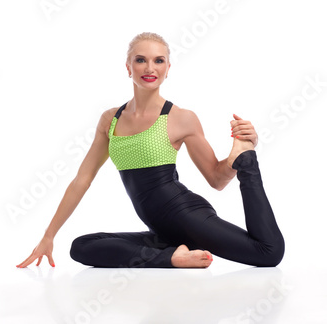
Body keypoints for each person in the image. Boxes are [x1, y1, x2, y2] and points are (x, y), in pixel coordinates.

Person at [16, 32, 284, 269]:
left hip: (188, 217)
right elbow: (81, 180)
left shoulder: (180, 118)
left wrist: (236, 161)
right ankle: (172, 256)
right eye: (140, 59)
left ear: (168, 69)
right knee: (81, 247)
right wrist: (49, 235)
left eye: (159, 61)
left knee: (268, 253)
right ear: (128, 67)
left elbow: (216, 178)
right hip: (161, 231)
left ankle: (246, 160)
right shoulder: (111, 119)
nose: (149, 67)